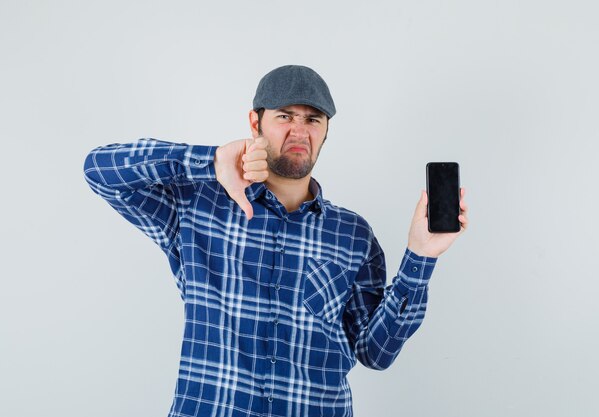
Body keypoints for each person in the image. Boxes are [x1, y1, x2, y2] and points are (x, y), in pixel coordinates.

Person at [83, 64, 468, 417]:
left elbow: (376, 352)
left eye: (313, 120)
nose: (299, 131)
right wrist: (210, 160)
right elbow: (99, 170)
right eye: (285, 116)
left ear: (326, 131)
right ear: (256, 122)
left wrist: (421, 256)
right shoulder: (198, 205)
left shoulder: (353, 235)